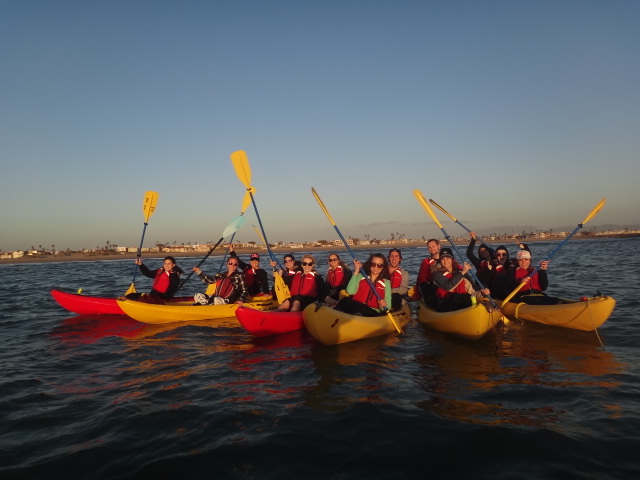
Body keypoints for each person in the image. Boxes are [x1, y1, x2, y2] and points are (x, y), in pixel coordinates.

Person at [431, 247, 490, 312]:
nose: (445, 261)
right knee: (457, 297)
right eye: (442, 259)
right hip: (444, 305)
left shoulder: (460, 273)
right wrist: (462, 272)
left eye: (448, 258)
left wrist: (481, 293)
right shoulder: (436, 273)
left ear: (452, 260)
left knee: (468, 297)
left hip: (462, 304)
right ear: (440, 260)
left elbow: (472, 292)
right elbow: (448, 287)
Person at [416, 238, 441, 306]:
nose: (432, 249)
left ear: (438, 246)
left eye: (433, 246)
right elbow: (421, 279)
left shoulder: (447, 259)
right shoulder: (426, 262)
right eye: (429, 247)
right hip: (432, 287)